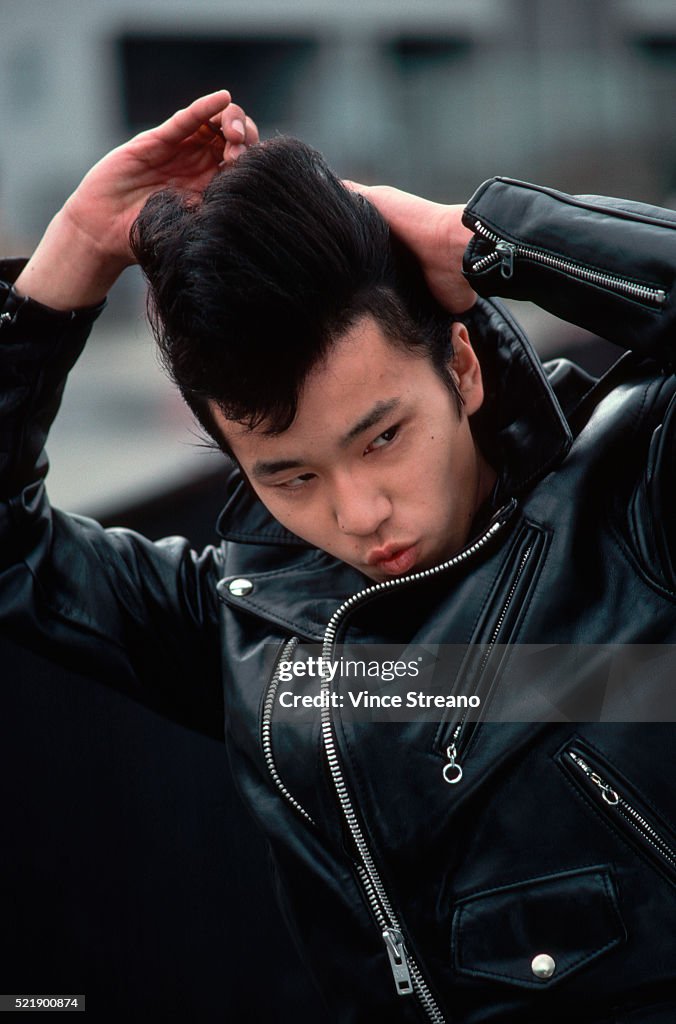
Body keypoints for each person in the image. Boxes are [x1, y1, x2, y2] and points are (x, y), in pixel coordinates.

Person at [2, 90, 675, 1024]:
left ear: (463, 368)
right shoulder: (252, 631)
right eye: (291, 479)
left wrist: (481, 239)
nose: (360, 515)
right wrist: (74, 251)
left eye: (383, 438)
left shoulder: (633, 500)